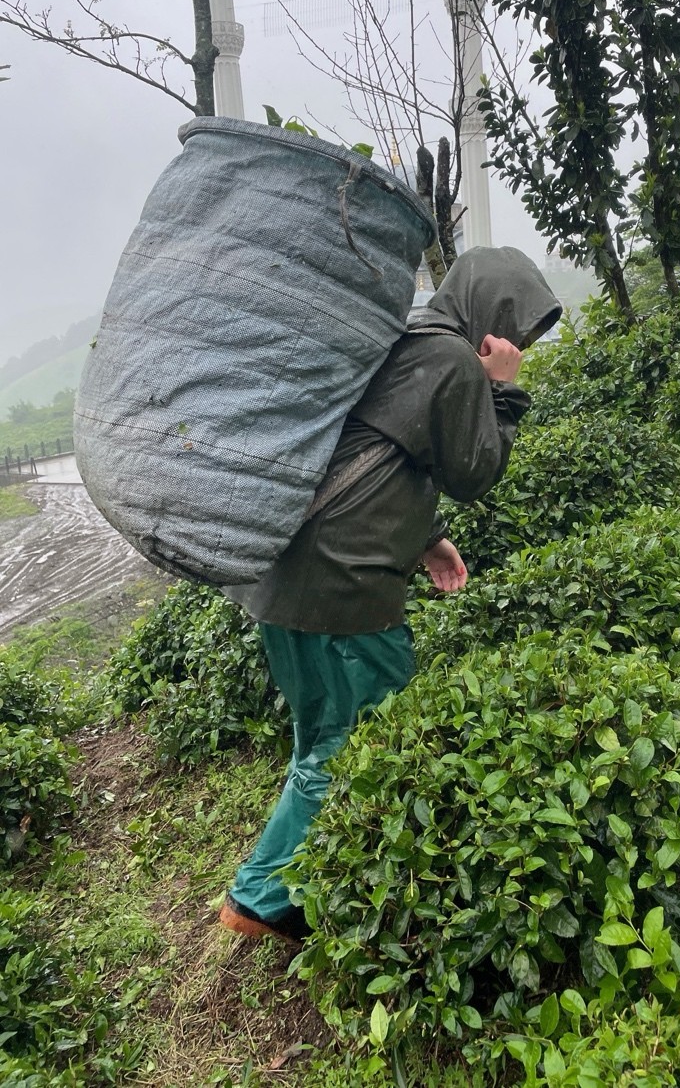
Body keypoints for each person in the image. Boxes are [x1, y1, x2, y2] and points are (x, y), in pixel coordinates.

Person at [219, 246, 562, 943]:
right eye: (518, 329)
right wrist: (501, 386)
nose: (520, 345)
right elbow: (473, 469)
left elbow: (380, 453)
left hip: (283, 573)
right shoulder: (452, 361)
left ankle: (301, 881)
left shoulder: (399, 340)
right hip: (343, 587)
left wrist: (425, 536)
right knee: (365, 735)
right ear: (492, 315)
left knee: (320, 737)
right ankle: (262, 894)